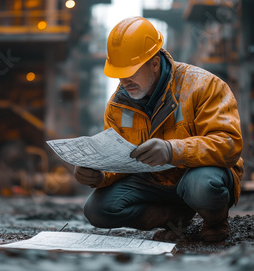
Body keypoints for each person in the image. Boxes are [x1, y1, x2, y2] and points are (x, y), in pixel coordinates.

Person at [74, 16, 243, 242]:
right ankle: (177, 219)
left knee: (203, 187)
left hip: (196, 176)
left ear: (154, 63)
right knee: (97, 209)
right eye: (119, 73)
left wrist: (173, 150)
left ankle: (215, 221)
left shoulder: (203, 86)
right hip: (155, 183)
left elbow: (229, 144)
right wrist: (99, 174)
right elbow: (118, 161)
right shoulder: (117, 106)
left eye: (131, 71)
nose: (124, 81)